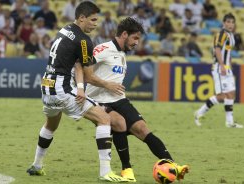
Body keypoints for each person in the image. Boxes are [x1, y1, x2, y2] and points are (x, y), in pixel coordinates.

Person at [26, 1, 127, 182]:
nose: (96, 24)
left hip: (46, 86)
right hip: (62, 88)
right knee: (104, 118)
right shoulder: (84, 41)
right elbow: (89, 76)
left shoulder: (65, 29)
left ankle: (37, 165)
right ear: (82, 18)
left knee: (51, 124)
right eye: (93, 20)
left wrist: (80, 88)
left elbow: (77, 64)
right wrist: (108, 85)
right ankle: (105, 172)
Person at [81, 17, 189, 182]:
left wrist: (112, 87)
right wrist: (103, 85)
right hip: (98, 99)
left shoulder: (123, 54)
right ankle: (126, 169)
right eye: (135, 38)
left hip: (118, 99)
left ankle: (173, 166)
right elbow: (83, 70)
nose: (137, 42)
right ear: (124, 34)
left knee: (142, 129)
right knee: (119, 123)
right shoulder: (103, 49)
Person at [194, 13, 244, 128]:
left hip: (227, 68)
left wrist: (228, 65)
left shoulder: (231, 35)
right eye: (228, 22)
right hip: (219, 67)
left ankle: (229, 122)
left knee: (231, 93)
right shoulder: (221, 34)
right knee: (221, 96)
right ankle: (199, 113)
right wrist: (222, 65)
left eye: (232, 22)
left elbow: (228, 52)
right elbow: (217, 50)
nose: (230, 24)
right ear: (223, 23)